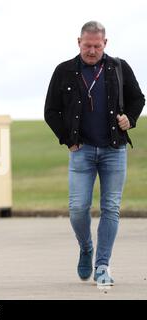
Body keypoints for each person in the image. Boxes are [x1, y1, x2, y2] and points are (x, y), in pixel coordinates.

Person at [44, 21, 145, 286]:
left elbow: (138, 99)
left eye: (97, 46)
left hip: (115, 150)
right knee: (78, 208)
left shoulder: (118, 68)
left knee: (110, 208)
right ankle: (86, 247)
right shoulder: (64, 71)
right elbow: (50, 111)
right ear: (78, 42)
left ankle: (103, 265)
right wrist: (67, 139)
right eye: (87, 45)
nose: (91, 51)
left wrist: (130, 119)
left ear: (105, 43)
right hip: (82, 151)